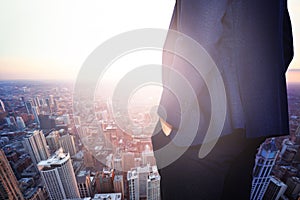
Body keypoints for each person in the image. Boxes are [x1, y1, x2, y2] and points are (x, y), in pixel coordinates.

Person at [151, 0, 294, 199]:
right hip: (247, 131)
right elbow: (283, 43)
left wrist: (172, 111)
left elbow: (200, 35)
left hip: (199, 125)